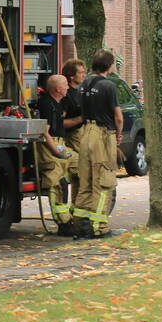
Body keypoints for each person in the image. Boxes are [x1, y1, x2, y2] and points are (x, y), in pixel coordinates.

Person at [72, 50, 122, 239]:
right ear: (109, 65)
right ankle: (98, 227)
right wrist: (117, 137)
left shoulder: (83, 84)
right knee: (103, 182)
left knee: (85, 181)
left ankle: (80, 227)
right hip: (102, 135)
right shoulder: (108, 85)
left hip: (85, 133)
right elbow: (118, 117)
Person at [36, 74, 76, 236]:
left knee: (82, 167)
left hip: (60, 143)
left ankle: (76, 214)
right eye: (65, 84)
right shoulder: (46, 105)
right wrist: (56, 151)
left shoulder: (59, 103)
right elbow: (45, 133)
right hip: (49, 145)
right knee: (57, 182)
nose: (68, 87)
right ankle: (63, 222)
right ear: (58, 89)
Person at [60, 58, 86, 203]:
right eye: (81, 73)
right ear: (71, 76)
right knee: (81, 172)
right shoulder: (66, 95)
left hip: (81, 135)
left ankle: (76, 209)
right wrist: (81, 119)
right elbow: (60, 123)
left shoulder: (78, 92)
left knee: (79, 177)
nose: (83, 75)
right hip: (71, 136)